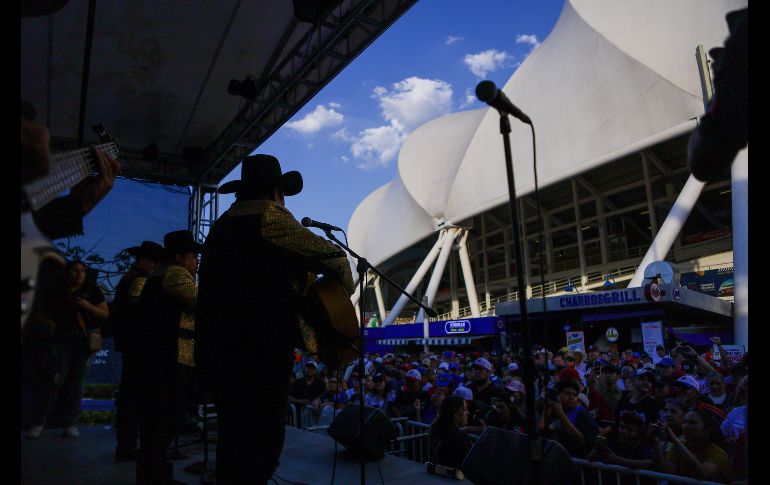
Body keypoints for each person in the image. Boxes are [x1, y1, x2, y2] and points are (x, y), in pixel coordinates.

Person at [195, 155, 354, 484]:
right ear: (277, 192)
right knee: (262, 440)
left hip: (216, 350)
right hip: (261, 351)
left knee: (233, 439)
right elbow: (335, 259)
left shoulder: (221, 227)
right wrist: (340, 297)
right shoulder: (271, 217)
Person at [135, 230, 200, 484]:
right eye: (193, 256)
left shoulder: (162, 273)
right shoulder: (175, 273)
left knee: (159, 416)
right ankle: (154, 474)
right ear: (178, 256)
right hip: (165, 357)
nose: (196, 262)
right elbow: (199, 301)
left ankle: (154, 471)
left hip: (160, 355)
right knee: (162, 415)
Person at [22, 260, 109, 439]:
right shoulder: (56, 291)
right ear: (67, 272)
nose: (79, 274)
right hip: (61, 338)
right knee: (54, 381)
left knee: (77, 383)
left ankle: (70, 423)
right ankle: (38, 422)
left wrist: (88, 307)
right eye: (76, 271)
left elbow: (105, 313)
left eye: (82, 271)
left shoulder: (92, 290)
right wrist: (47, 321)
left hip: (85, 340)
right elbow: (39, 310)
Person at [111, 241, 164, 461]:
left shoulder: (129, 278)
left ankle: (127, 445)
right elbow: (143, 315)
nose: (155, 266)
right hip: (139, 347)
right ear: (142, 260)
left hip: (132, 345)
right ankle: (129, 447)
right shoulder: (140, 282)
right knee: (134, 397)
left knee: (130, 396)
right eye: (153, 261)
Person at [653, 409, 729, 482]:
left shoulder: (718, 454)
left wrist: (676, 442)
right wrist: (655, 442)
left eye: (692, 423)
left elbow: (703, 474)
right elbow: (667, 470)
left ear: (707, 430)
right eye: (684, 422)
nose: (685, 426)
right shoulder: (680, 446)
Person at [541, 379, 597, 458]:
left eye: (575, 395)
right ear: (557, 395)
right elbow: (540, 432)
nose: (572, 397)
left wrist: (561, 413)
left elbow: (581, 442)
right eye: (567, 393)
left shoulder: (582, 414)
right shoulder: (551, 411)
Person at [428, 395, 472, 469]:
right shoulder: (458, 439)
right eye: (464, 409)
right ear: (455, 413)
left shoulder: (437, 430)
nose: (468, 413)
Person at [290, 361, 326, 427]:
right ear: (304, 369)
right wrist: (300, 401)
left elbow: (325, 394)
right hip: (299, 414)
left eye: (312, 368)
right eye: (308, 367)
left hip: (315, 415)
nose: (309, 370)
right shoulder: (298, 382)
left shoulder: (320, 382)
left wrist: (318, 400)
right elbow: (289, 397)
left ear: (315, 370)